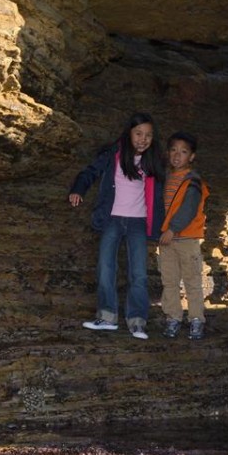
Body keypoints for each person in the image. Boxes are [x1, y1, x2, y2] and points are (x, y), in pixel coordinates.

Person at [68, 113, 166, 340]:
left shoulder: (155, 161)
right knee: (105, 267)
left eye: (148, 135)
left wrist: (167, 225)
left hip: (138, 223)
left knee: (138, 273)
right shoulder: (114, 154)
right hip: (113, 219)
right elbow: (90, 171)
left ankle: (138, 321)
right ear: (128, 133)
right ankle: (107, 317)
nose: (143, 139)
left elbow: (165, 194)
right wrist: (78, 189)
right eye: (138, 134)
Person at [158, 131, 209, 340]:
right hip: (167, 240)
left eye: (183, 152)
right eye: (173, 150)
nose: (177, 155)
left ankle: (196, 319)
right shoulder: (166, 179)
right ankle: (173, 318)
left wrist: (172, 229)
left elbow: (188, 209)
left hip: (186, 239)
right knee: (169, 280)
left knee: (192, 281)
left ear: (192, 157)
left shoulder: (193, 181)